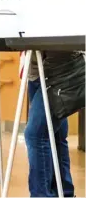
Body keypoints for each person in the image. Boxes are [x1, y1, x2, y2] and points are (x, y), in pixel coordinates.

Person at [24, 52, 78, 197]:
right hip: (36, 71)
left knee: (36, 135)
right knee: (55, 136)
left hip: (63, 71)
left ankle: (41, 195)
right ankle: (65, 193)